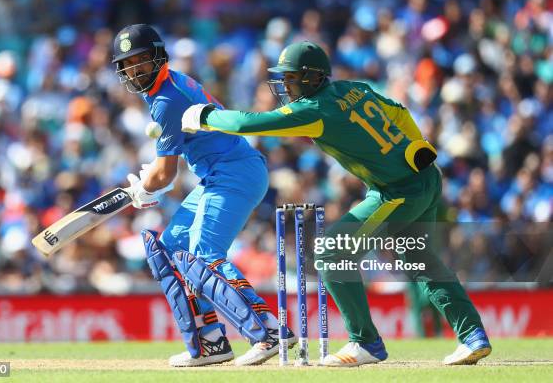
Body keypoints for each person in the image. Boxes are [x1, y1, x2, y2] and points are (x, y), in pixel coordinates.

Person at [181, 41, 492, 367]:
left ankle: (366, 342)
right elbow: (399, 111)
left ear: (311, 78)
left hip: (398, 191)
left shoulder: (313, 111)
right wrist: (417, 142)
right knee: (417, 257)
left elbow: (246, 124)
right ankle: (472, 336)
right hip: (426, 176)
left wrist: (205, 115)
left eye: (291, 78)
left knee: (331, 251)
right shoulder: (353, 88)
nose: (285, 86)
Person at [112, 24, 294, 367]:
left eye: (140, 60)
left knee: (203, 255)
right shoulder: (169, 84)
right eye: (128, 64)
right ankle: (209, 341)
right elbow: (168, 166)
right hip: (218, 173)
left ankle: (269, 331)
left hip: (234, 172)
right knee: (170, 249)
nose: (135, 70)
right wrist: (150, 181)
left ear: (157, 57)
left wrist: (145, 188)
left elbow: (166, 174)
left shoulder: (166, 99)